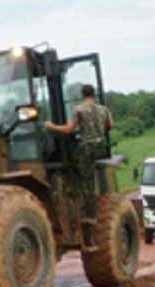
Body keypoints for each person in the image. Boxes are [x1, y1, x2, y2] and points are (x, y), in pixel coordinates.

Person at [45, 84, 114, 227]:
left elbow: (69, 129)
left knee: (86, 181)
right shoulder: (103, 109)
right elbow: (111, 126)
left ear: (83, 95)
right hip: (101, 147)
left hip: (87, 149)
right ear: (94, 95)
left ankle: (90, 215)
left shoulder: (79, 110)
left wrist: (52, 127)